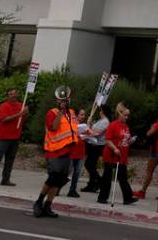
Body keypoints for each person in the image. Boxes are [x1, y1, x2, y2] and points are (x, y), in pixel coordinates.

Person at [33, 88, 81, 218]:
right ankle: (38, 202)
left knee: (59, 181)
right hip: (54, 150)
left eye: (66, 99)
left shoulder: (72, 113)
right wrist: (61, 112)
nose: (64, 102)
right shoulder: (52, 112)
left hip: (68, 151)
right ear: (57, 101)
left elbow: (74, 129)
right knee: (53, 178)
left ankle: (48, 205)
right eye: (61, 100)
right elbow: (53, 127)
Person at [97, 102, 138, 206]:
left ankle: (128, 197)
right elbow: (108, 140)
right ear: (119, 114)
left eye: (127, 115)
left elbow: (125, 139)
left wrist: (130, 141)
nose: (126, 117)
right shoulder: (113, 125)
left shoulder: (126, 126)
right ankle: (102, 197)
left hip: (122, 155)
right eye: (125, 115)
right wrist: (114, 148)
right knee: (107, 176)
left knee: (123, 176)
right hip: (111, 154)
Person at [0, 87, 27, 187]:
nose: (13, 95)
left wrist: (26, 112)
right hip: (3, 138)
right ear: (8, 96)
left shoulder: (21, 105)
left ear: (17, 95)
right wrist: (19, 114)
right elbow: (4, 119)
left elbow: (23, 120)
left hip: (15, 138)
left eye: (14, 93)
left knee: (10, 160)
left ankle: (5, 179)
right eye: (11, 94)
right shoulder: (3, 106)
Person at [135, 107, 158, 198]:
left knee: (149, 172)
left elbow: (149, 133)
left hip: (156, 150)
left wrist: (152, 127)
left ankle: (143, 191)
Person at [81, 104, 109, 192]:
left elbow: (96, 133)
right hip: (92, 145)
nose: (99, 111)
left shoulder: (105, 121)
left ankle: (99, 182)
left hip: (97, 146)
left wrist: (87, 131)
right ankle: (92, 184)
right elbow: (91, 129)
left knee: (89, 165)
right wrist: (89, 123)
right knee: (90, 165)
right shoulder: (100, 120)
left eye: (100, 110)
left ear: (103, 111)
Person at [65, 107, 87, 198]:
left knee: (77, 173)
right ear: (77, 115)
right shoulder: (72, 124)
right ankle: (56, 188)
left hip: (80, 152)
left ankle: (72, 190)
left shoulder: (84, 125)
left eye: (84, 115)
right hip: (72, 152)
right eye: (81, 114)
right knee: (66, 172)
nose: (83, 116)